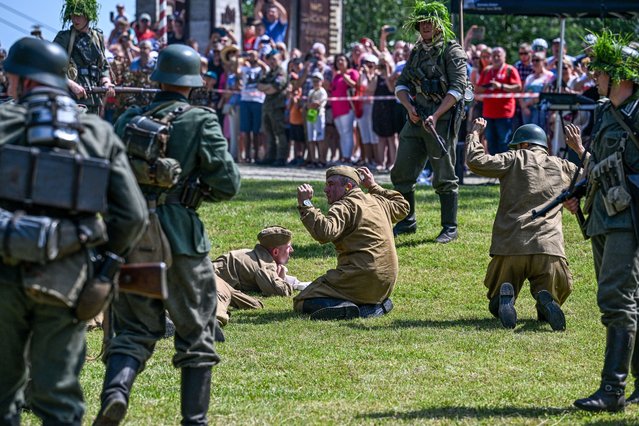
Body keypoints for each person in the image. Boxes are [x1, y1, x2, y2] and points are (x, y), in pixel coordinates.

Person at [0, 37, 146, 425]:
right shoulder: (96, 133)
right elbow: (132, 215)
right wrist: (103, 265)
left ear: (22, 81)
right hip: (67, 275)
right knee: (59, 398)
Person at [94, 44, 241, 425]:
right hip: (181, 242)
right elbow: (228, 183)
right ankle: (194, 421)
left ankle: (115, 392)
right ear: (192, 83)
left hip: (132, 235)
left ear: (158, 77)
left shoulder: (128, 118)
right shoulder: (200, 120)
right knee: (196, 331)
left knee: (132, 330)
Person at [563, 31, 639, 413]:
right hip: (605, 216)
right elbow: (605, 162)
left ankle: (613, 391)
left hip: (629, 218)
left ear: (621, 74)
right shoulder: (607, 112)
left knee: (617, 297)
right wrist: (580, 190)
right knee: (625, 298)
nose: (593, 76)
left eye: (600, 70)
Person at [466, 118, 578, 330]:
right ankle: (546, 300)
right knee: (554, 292)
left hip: (511, 246)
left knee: (496, 297)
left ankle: (503, 297)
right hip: (549, 250)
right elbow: (594, 176)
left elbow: (476, 161)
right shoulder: (562, 166)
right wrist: (580, 150)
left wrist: (475, 133)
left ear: (524, 145)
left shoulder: (514, 157)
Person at [391, 0, 468, 243]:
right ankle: (407, 220)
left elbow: (458, 88)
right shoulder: (416, 52)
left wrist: (436, 115)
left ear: (439, 26)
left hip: (441, 122)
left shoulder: (452, 51)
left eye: (430, 22)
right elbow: (401, 84)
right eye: (422, 22)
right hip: (416, 119)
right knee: (401, 172)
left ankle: (450, 227)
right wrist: (409, 107)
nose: (425, 26)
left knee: (444, 176)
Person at [294, 166, 409, 320]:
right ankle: (377, 306)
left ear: (348, 187)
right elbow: (403, 206)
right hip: (385, 283)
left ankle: (347, 309)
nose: (325, 189)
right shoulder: (377, 201)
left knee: (302, 300)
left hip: (360, 277)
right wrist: (373, 186)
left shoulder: (344, 206)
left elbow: (324, 232)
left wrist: (306, 203)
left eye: (331, 184)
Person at [53, 0, 116, 114]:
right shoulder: (64, 37)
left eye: (79, 15)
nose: (75, 19)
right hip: (72, 98)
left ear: (88, 16)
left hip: (94, 99)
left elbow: (103, 67)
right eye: (73, 15)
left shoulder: (98, 37)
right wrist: (71, 84)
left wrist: (106, 82)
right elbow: (51, 66)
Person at [476, 47, 523, 154]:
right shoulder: (487, 70)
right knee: (491, 142)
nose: (496, 58)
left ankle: (505, 167)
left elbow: (518, 87)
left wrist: (500, 86)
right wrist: (487, 87)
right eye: (494, 55)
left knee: (504, 142)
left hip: (504, 113)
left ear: (504, 57)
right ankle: (494, 167)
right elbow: (478, 88)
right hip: (488, 113)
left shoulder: (510, 70)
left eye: (499, 55)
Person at [257, 49, 289, 166]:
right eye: (270, 59)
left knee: (279, 132)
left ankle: (281, 157)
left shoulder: (281, 72)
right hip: (267, 107)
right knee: (268, 133)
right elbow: (259, 86)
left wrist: (266, 88)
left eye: (274, 59)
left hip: (277, 107)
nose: (272, 61)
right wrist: (267, 87)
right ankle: (270, 156)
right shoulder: (270, 73)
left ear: (280, 59)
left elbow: (274, 89)